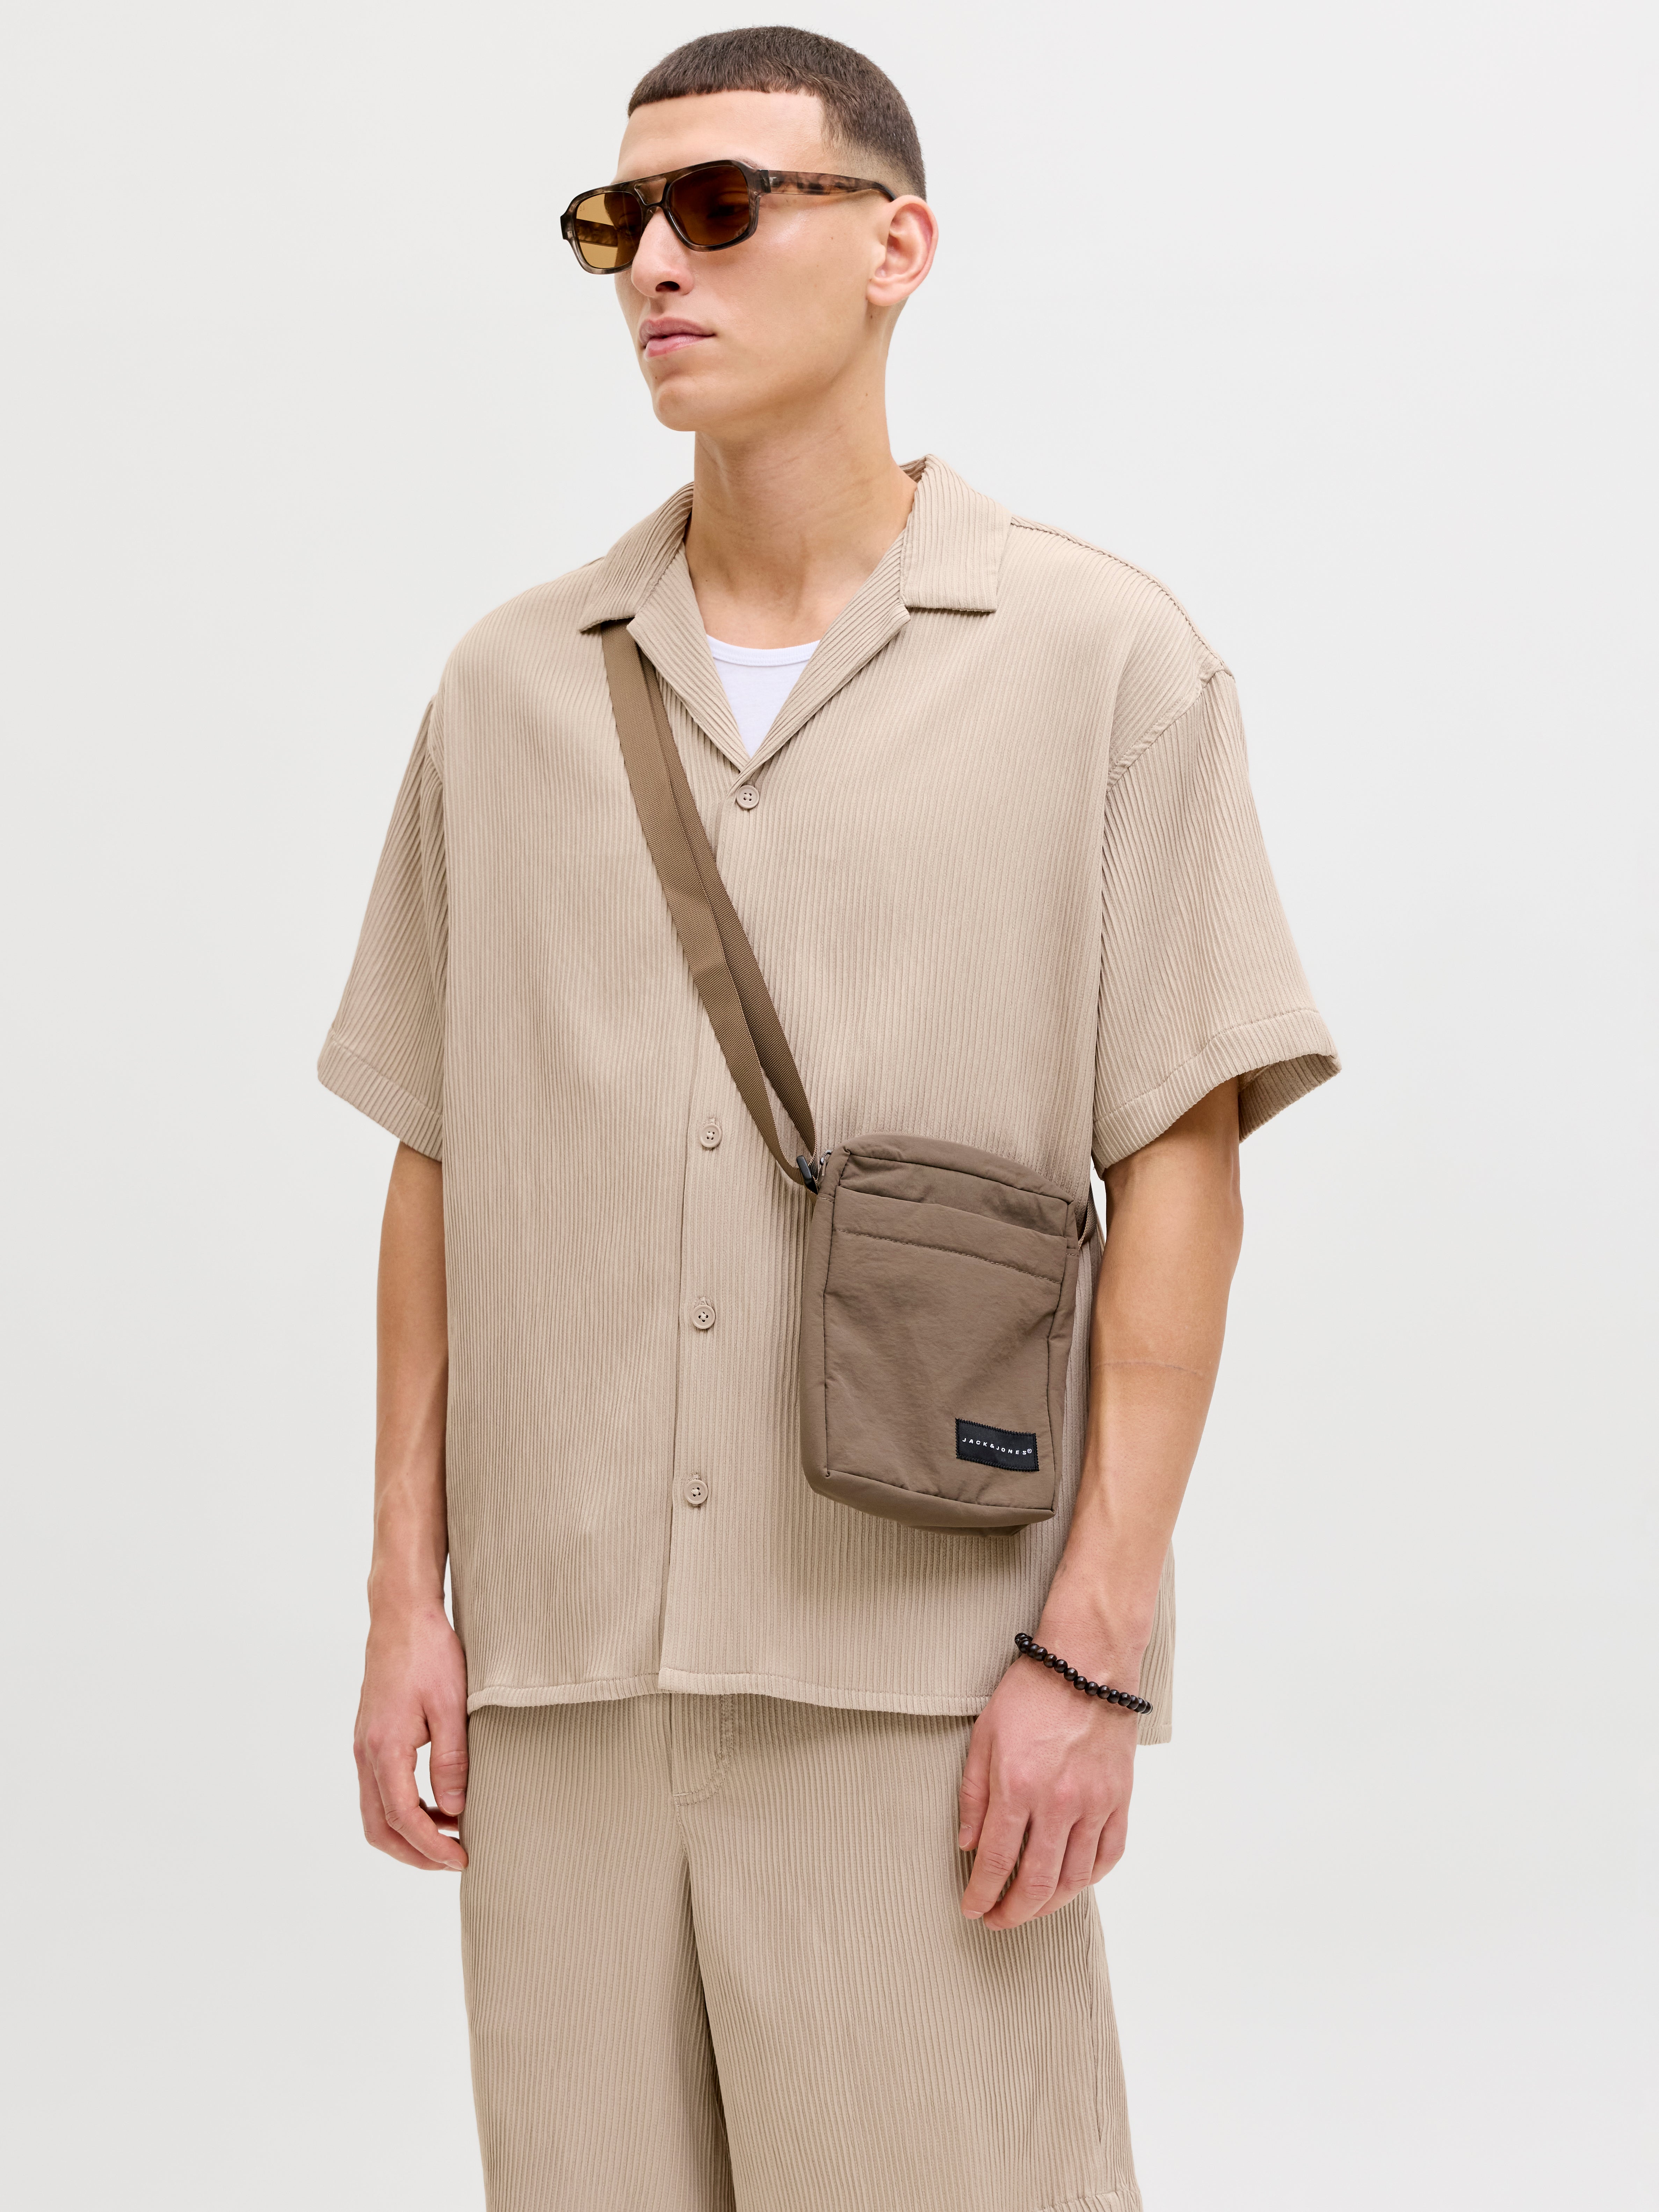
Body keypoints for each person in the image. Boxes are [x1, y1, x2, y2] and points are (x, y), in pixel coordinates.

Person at [320, 26, 1338, 2212]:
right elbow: (439, 1157)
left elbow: (1179, 1163)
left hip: (922, 1687)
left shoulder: (1098, 661)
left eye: (720, 206)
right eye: (617, 221)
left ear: (899, 246)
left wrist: (1094, 1649)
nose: (654, 267)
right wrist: (409, 1604)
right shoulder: (509, 689)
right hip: (569, 1691)